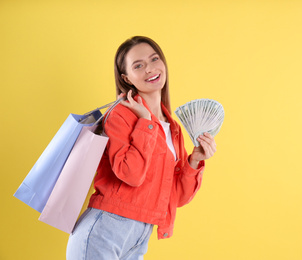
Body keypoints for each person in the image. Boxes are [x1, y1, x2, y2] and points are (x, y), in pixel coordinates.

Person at [66, 36, 217, 260]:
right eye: (139, 65)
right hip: (104, 230)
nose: (150, 69)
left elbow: (175, 198)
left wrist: (194, 161)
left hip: (139, 238)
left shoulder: (172, 126)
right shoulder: (120, 115)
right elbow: (131, 174)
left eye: (154, 59)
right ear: (126, 78)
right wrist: (145, 121)